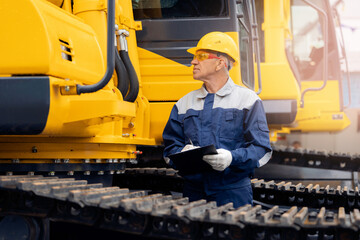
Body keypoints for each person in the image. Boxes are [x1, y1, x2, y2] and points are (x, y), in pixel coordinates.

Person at [162, 32, 272, 208]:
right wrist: (184, 154)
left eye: (201, 56)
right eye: (194, 57)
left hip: (232, 192)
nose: (193, 62)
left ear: (220, 63)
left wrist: (232, 158)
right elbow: (169, 149)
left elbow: (261, 149)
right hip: (194, 193)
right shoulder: (184, 103)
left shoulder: (248, 100)